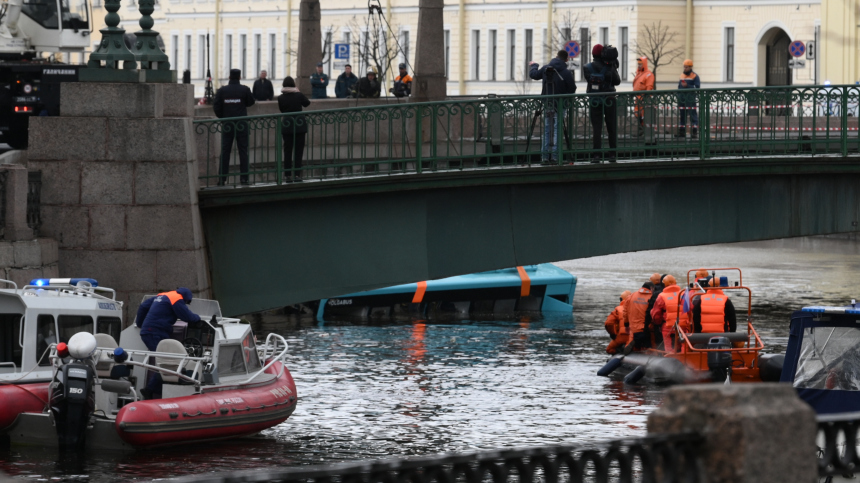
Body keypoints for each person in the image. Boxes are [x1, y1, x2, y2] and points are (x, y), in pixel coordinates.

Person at [135, 288, 201, 399]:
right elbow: (187, 316)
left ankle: (155, 390)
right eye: (187, 302)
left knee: (165, 362)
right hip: (155, 333)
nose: (185, 304)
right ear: (186, 298)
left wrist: (140, 324)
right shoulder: (177, 299)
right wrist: (197, 319)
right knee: (166, 363)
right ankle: (149, 390)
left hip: (151, 332)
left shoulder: (163, 296)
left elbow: (143, 307)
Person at [528, 50, 576, 163]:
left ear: (556, 56)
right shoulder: (566, 72)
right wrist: (565, 97)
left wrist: (534, 65)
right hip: (559, 105)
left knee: (547, 129)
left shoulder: (546, 69)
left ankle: (544, 156)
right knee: (557, 129)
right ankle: (555, 156)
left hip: (547, 103)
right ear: (566, 60)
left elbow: (533, 75)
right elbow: (572, 88)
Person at [213, 68, 255, 185]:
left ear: (229, 77)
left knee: (225, 151)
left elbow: (216, 107)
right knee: (243, 151)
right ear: (240, 77)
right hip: (242, 124)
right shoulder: (244, 89)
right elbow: (251, 102)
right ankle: (244, 178)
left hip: (228, 124)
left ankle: (222, 178)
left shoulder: (222, 91)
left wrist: (224, 118)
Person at [583, 44, 621, 163]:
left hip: (594, 100)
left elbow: (589, 80)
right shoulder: (609, 67)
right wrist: (612, 66)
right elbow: (617, 81)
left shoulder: (587, 67)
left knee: (597, 128)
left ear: (593, 54)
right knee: (611, 127)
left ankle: (596, 155)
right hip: (609, 99)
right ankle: (612, 154)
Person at [278, 76, 311, 183]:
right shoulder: (298, 95)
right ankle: (297, 175)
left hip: (287, 126)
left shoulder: (280, 98)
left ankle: (287, 175)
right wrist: (299, 92)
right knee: (298, 151)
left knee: (287, 151)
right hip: (299, 125)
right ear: (293, 84)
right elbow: (307, 103)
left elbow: (282, 110)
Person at [651, 275, 683, 352]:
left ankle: (669, 353)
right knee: (684, 341)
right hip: (683, 326)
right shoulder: (684, 293)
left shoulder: (661, 296)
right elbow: (690, 308)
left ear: (664, 284)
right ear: (675, 282)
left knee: (668, 343)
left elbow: (656, 314)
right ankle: (684, 352)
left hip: (668, 326)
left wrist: (658, 324)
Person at [623, 282, 653, 351]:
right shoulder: (652, 297)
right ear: (651, 288)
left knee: (633, 348)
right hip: (647, 328)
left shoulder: (632, 295)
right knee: (649, 348)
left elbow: (625, 312)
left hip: (634, 328)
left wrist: (626, 324)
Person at [676, 59, 700, 138]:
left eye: (686, 67)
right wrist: (678, 95)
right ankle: (682, 132)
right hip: (682, 98)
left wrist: (688, 86)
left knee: (693, 115)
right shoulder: (682, 75)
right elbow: (679, 87)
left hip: (690, 99)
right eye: (684, 67)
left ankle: (694, 132)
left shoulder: (695, 76)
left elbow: (697, 88)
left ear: (690, 67)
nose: (685, 69)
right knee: (682, 115)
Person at [632, 57, 654, 137]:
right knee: (638, 115)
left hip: (643, 99)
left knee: (644, 116)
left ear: (644, 64)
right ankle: (640, 131)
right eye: (638, 64)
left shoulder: (648, 74)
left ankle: (645, 132)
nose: (639, 66)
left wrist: (647, 98)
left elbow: (649, 86)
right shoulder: (639, 73)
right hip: (638, 99)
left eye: (640, 64)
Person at [605, 290, 632, 354]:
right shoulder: (637, 308)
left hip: (621, 336)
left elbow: (609, 323)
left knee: (609, 349)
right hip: (634, 336)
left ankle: (620, 352)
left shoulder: (618, 309)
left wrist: (613, 334)